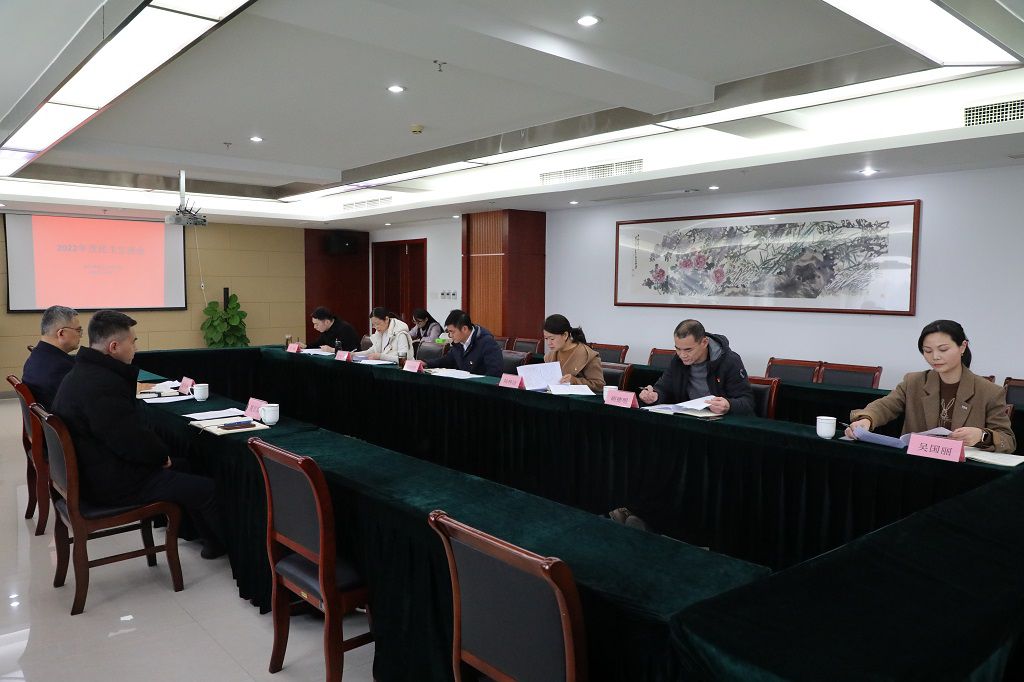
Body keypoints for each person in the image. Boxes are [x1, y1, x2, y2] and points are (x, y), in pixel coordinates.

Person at [52, 310, 226, 559]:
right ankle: (230, 548)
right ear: (114, 347)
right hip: (111, 483)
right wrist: (161, 457)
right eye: (132, 342)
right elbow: (129, 441)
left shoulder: (81, 373)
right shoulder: (102, 384)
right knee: (208, 490)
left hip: (92, 471)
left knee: (186, 466)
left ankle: (210, 542)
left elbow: (126, 434)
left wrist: (160, 455)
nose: (135, 348)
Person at [845, 320, 1015, 452]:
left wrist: (982, 435)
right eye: (927, 351)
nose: (935, 357)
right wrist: (867, 419)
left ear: (963, 346)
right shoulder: (914, 382)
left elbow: (1008, 440)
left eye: (943, 349)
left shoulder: (989, 391)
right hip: (918, 466)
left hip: (964, 471)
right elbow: (886, 406)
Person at [638, 319, 753, 415]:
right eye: (678, 349)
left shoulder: (729, 361)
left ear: (704, 342)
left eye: (688, 350)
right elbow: (664, 388)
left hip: (722, 424)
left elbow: (748, 403)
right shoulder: (677, 361)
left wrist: (729, 405)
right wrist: (654, 396)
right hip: (691, 420)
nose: (682, 355)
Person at [22, 305, 81, 408]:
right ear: (61, 333)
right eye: (78, 330)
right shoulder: (62, 368)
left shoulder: (38, 354)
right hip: (61, 417)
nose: (81, 335)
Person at [425, 309, 503, 377]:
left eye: (452, 332)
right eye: (449, 332)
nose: (450, 336)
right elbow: (447, 360)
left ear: (464, 329)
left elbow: (495, 373)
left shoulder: (487, 342)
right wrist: (426, 363)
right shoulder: (458, 342)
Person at [542, 314, 605, 392]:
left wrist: (574, 381)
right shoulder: (549, 356)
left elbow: (599, 385)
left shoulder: (588, 355)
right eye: (546, 338)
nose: (548, 343)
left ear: (565, 335)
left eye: (552, 339)